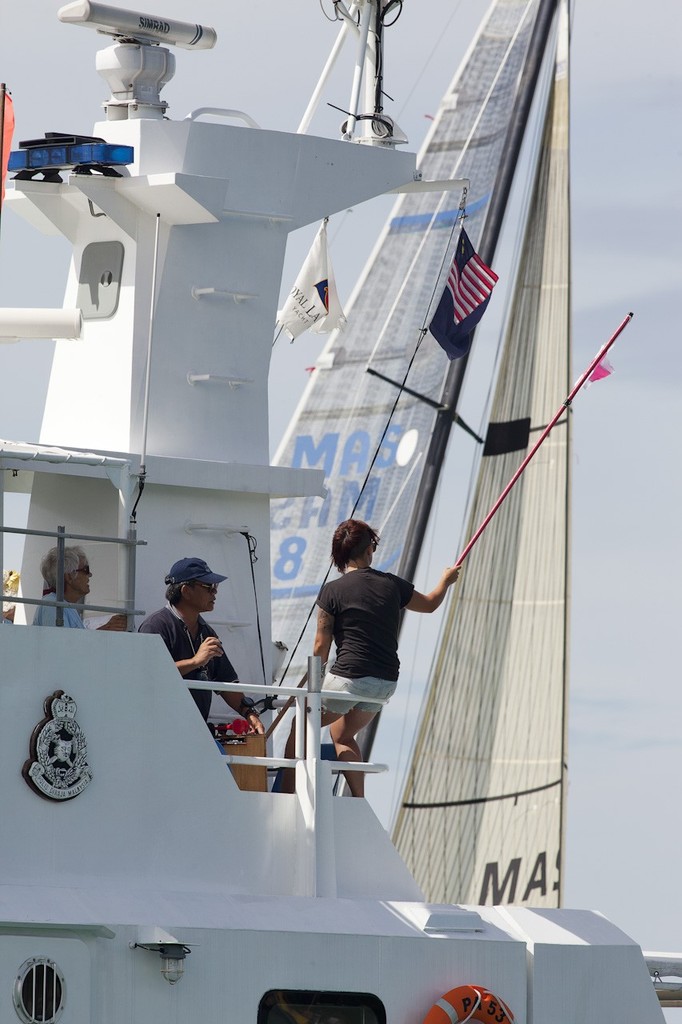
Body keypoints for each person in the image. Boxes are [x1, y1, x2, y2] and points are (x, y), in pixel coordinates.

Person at [284, 519, 460, 797]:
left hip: (349, 679)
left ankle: (286, 792)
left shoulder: (332, 591)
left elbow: (321, 644)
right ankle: (358, 798)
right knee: (341, 735)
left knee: (301, 722)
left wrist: (313, 687)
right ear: (369, 551)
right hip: (384, 683)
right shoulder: (391, 585)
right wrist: (445, 581)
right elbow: (429, 604)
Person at [138, 557, 265, 734]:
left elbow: (225, 682)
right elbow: (148, 676)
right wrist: (196, 661)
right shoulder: (155, 626)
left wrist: (250, 714)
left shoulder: (207, 632)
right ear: (186, 591)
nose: (214, 593)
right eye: (208, 587)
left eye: (215, 587)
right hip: (159, 732)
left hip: (196, 734)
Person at [33, 546, 127, 630]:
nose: (90, 575)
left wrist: (105, 629)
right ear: (69, 576)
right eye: (86, 570)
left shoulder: (65, 606)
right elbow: (62, 646)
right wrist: (106, 629)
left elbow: (72, 643)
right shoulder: (53, 606)